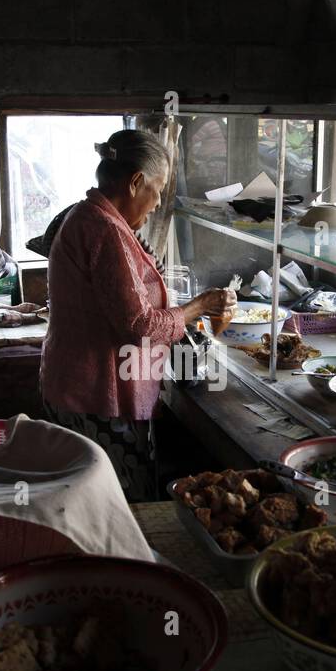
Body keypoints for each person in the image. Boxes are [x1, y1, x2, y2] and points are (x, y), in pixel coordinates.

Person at [39, 129, 236, 502]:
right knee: (120, 506)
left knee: (86, 503)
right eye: (157, 189)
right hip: (98, 397)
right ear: (135, 182)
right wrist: (200, 306)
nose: (159, 200)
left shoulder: (93, 217)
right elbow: (140, 326)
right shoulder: (104, 230)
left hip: (75, 387)